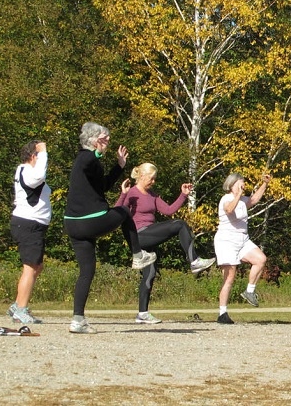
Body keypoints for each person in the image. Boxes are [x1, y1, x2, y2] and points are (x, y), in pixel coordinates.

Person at [63, 122, 157, 334]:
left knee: (87, 271)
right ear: (96, 140)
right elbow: (87, 161)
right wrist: (95, 153)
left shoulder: (86, 162)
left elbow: (103, 186)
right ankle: (137, 255)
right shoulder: (86, 158)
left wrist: (120, 166)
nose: (107, 144)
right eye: (105, 140)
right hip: (89, 220)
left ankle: (78, 320)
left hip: (72, 224)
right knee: (123, 212)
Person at [116, 163, 217, 324]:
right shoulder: (132, 193)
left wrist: (183, 195)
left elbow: (168, 211)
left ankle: (142, 314)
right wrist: (123, 194)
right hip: (140, 236)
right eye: (151, 178)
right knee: (180, 224)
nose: (153, 181)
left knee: (150, 274)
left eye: (155, 179)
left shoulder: (152, 195)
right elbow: (117, 211)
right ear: (142, 176)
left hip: (150, 236)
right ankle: (194, 261)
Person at [214, 172, 271, 324]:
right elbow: (228, 210)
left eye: (243, 182)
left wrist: (264, 184)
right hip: (227, 241)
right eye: (240, 182)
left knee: (260, 259)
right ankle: (222, 313)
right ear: (232, 184)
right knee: (230, 277)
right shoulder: (226, 199)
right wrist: (238, 195)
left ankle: (249, 291)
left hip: (242, 240)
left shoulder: (241, 200)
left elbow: (253, 200)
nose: (243, 184)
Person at [8, 140, 52, 324]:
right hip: (28, 224)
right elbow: (38, 177)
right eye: (39, 156)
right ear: (33, 156)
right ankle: (21, 309)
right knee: (31, 267)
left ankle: (17, 304)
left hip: (32, 225)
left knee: (37, 266)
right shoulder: (27, 171)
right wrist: (43, 153)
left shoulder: (25, 171)